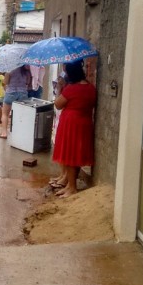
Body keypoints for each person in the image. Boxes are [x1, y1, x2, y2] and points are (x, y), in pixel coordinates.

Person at [52, 60, 96, 198]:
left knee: (69, 154)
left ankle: (72, 187)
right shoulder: (91, 88)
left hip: (71, 123)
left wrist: (59, 88)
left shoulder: (71, 89)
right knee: (76, 155)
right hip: (85, 123)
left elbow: (58, 105)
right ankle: (70, 185)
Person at [0, 65, 31, 139]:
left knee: (5, 114)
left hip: (11, 93)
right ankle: (20, 133)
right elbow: (28, 82)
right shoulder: (26, 69)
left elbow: (6, 82)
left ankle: (4, 133)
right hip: (23, 93)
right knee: (21, 115)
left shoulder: (10, 68)